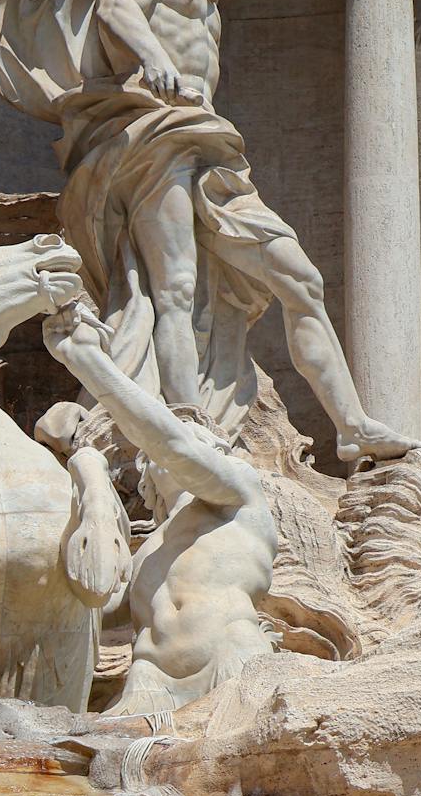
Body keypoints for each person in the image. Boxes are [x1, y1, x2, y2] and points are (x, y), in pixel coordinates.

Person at [0, 0, 416, 466]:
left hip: (206, 142)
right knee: (174, 287)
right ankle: (186, 427)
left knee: (301, 279)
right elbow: (116, 9)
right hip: (149, 135)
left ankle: (353, 425)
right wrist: (152, 55)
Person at [43, 300, 277, 714]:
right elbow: (88, 599)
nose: (159, 452)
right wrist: (85, 474)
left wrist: (87, 362)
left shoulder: (241, 497)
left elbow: (171, 444)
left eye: (187, 433)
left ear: (216, 449)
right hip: (148, 680)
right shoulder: (146, 553)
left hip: (231, 657)